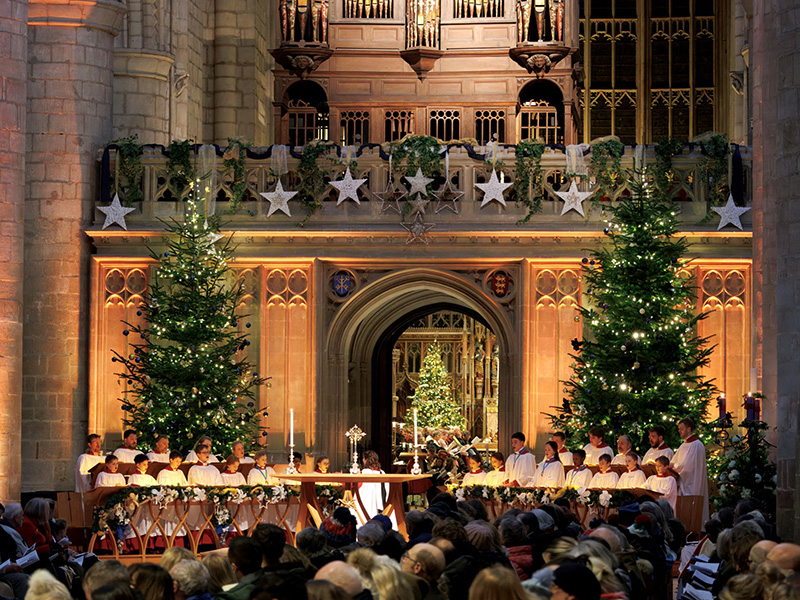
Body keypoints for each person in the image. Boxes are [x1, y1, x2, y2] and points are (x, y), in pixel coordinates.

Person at [670, 417, 709, 525]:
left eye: (681, 429)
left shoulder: (696, 445)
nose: (679, 431)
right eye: (678, 429)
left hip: (692, 485)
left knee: (692, 514)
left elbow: (687, 467)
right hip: (684, 483)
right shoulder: (683, 445)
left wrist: (673, 466)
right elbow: (674, 462)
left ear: (689, 429)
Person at [357, 451, 391, 526]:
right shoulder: (382, 472)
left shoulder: (364, 473)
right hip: (382, 506)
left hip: (367, 506)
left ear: (365, 460)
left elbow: (356, 487)